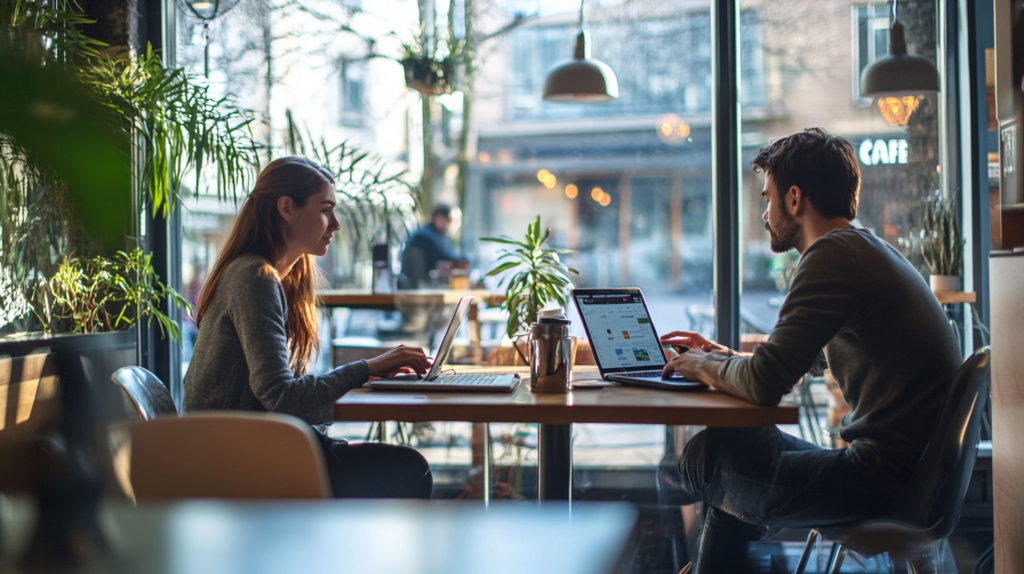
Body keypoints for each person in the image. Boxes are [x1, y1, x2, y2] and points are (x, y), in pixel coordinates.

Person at [657, 128, 961, 573]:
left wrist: (702, 366)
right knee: (736, 448)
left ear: (794, 199)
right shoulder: (863, 249)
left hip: (883, 484)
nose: (764, 214)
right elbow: (796, 363)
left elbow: (765, 384)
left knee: (698, 460)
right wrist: (718, 358)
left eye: (768, 198)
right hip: (912, 479)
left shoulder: (831, 256)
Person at [184, 156, 433, 499]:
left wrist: (369, 374)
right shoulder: (254, 278)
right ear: (286, 208)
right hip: (239, 461)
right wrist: (367, 367)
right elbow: (283, 399)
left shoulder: (270, 277)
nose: (336, 224)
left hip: (250, 448)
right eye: (325, 210)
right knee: (409, 471)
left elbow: (280, 395)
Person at [400, 204, 468, 288]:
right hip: (415, 286)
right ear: (437, 218)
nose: (445, 224)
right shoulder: (425, 235)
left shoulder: (428, 233)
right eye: (444, 220)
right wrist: (463, 259)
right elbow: (442, 253)